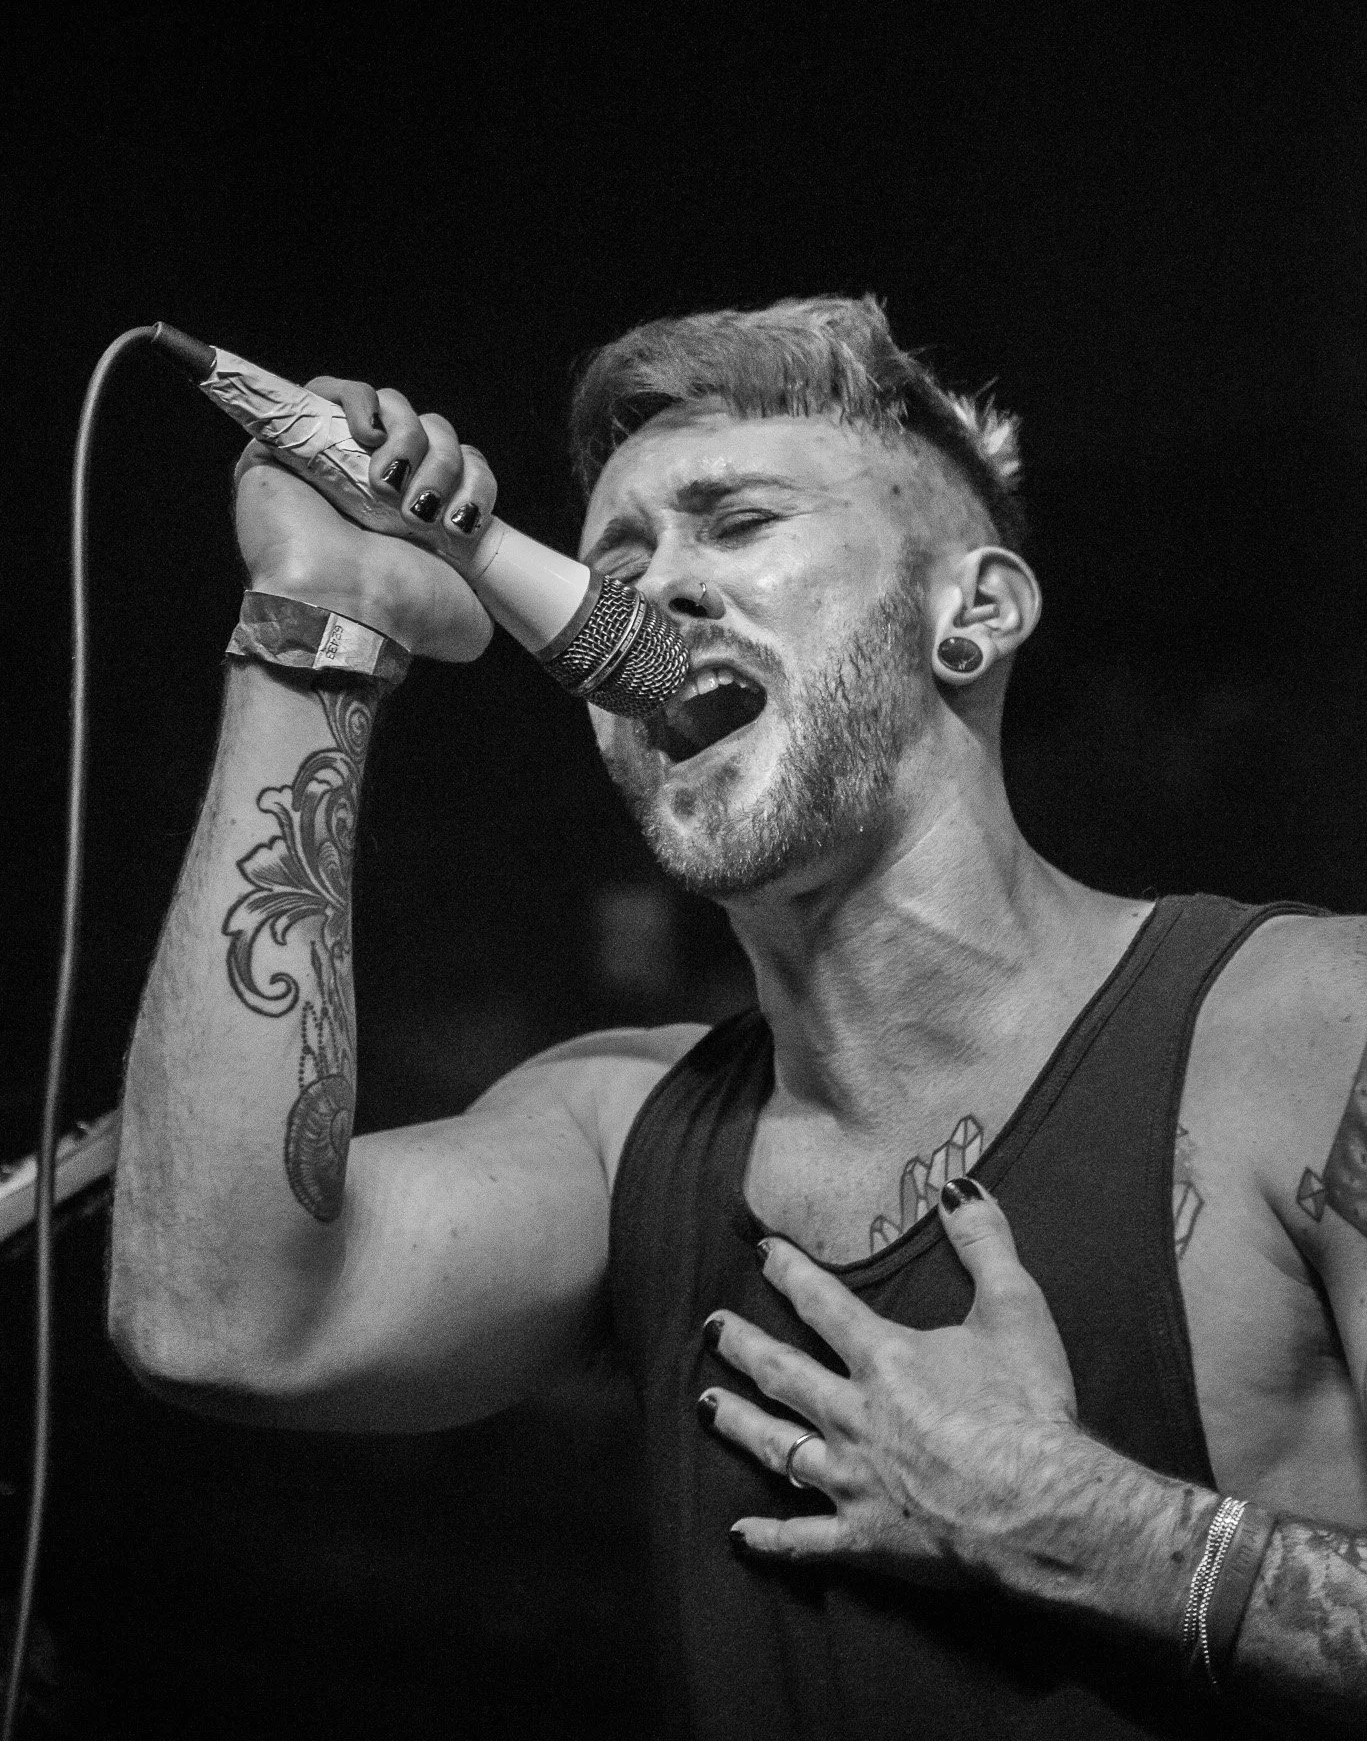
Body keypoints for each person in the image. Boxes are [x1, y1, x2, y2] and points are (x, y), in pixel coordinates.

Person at [109, 296, 1367, 1736]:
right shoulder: (618, 1131)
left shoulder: (1310, 1029)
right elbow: (219, 1320)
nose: (655, 597)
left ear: (975, 613)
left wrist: (1114, 1539)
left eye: (738, 523)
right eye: (616, 561)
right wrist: (320, 613)